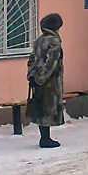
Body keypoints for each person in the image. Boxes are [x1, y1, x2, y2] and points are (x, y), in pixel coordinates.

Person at [27, 13, 65, 148]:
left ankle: (44, 137)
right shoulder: (54, 42)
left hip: (38, 79)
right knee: (48, 108)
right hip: (50, 81)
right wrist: (42, 78)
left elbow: (32, 59)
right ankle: (45, 139)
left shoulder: (39, 40)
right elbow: (51, 63)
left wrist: (32, 76)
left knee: (41, 108)